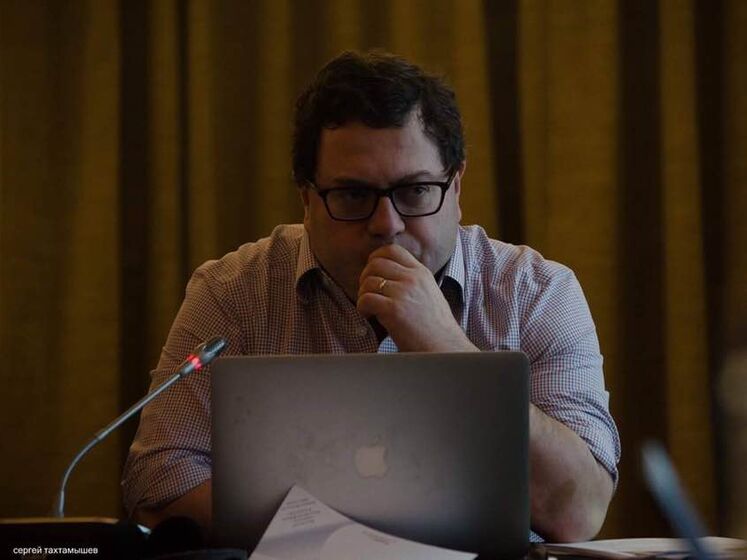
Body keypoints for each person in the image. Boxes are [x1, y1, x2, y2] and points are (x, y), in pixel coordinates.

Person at [122, 49, 620, 543]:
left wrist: (448, 351)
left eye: (415, 191)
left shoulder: (538, 293)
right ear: (307, 199)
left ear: (456, 187)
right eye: (353, 195)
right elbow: (157, 479)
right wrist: (331, 541)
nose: (387, 224)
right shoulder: (232, 291)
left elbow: (579, 511)